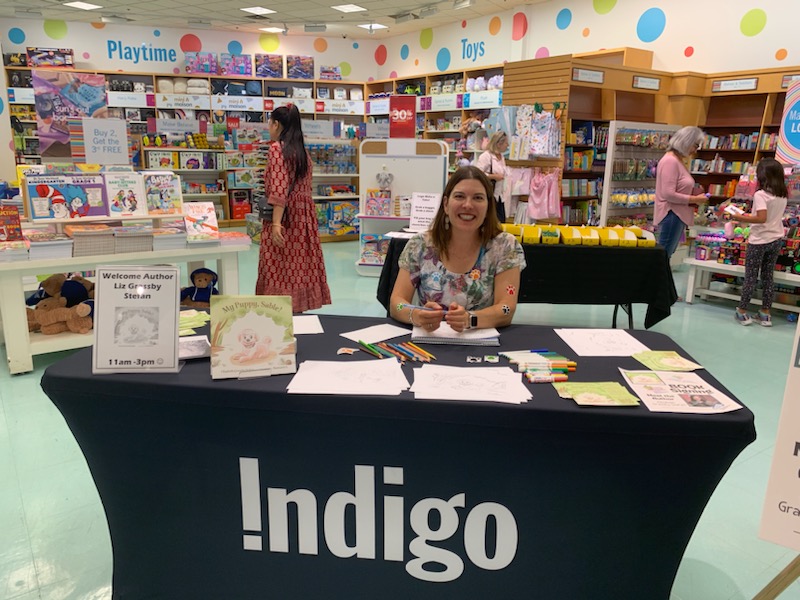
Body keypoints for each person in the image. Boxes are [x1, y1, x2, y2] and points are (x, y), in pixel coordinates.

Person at [389, 166, 526, 332]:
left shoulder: (505, 247)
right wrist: (415, 315)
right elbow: (396, 302)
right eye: (460, 196)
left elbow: (506, 308)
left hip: (480, 347)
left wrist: (471, 319)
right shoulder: (419, 245)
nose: (468, 205)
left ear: (488, 206)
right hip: (429, 342)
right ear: (446, 204)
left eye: (478, 198)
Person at [255, 104, 331, 313]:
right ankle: (297, 311)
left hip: (286, 216)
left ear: (277, 124)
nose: (268, 127)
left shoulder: (276, 149)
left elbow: (279, 189)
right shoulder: (302, 152)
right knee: (299, 267)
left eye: (270, 122)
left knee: (278, 266)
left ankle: (277, 314)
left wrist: (276, 223)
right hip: (303, 217)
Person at [731, 157, 788, 327]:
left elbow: (762, 218)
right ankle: (765, 313)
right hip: (776, 238)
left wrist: (739, 216)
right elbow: (769, 218)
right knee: (768, 276)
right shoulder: (782, 194)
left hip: (759, 240)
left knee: (750, 277)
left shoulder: (761, 195)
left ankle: (742, 311)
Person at [654, 125, 709, 258]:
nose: (695, 150)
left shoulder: (677, 160)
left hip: (676, 214)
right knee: (663, 255)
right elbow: (668, 194)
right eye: (695, 146)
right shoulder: (670, 161)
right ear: (686, 141)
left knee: (666, 254)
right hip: (672, 213)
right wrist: (695, 199)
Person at [474, 131, 510, 223]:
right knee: (490, 222)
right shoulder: (486, 156)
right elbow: (477, 174)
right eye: (506, 143)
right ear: (499, 144)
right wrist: (493, 176)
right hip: (489, 195)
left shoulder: (501, 156)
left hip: (499, 196)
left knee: (501, 221)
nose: (508, 145)